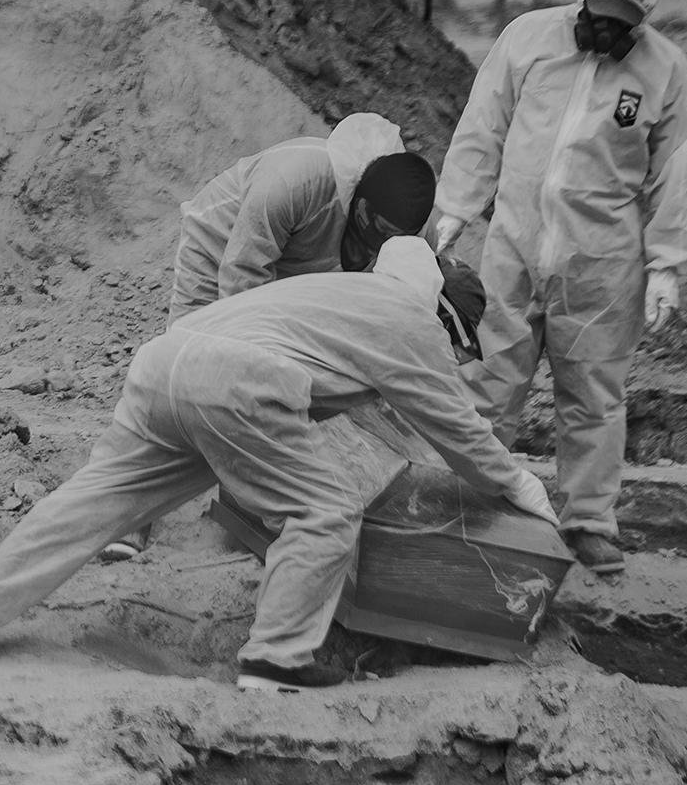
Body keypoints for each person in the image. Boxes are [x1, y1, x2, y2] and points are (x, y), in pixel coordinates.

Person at [0, 236, 557, 693]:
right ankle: (276, 661)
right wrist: (520, 484)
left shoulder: (351, 293)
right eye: (456, 344)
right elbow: (459, 433)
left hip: (166, 362)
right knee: (325, 509)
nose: (451, 355)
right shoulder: (412, 322)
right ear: (445, 313)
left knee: (98, 497)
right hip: (235, 385)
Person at [432, 0, 687, 577]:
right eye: (601, 20)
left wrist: (666, 266)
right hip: (513, 249)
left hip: (604, 266)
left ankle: (588, 523)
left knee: (594, 396)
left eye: (624, 25)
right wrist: (455, 208)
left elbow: (673, 174)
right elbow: (483, 125)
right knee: (486, 381)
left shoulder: (668, 73)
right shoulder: (527, 39)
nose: (609, 35)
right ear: (582, 5)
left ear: (642, 21)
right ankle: (467, 505)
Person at [99, 114, 436, 561]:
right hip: (220, 251)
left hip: (301, 266)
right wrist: (264, 364)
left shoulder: (412, 229)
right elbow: (240, 276)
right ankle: (127, 520)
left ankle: (248, 505)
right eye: (378, 233)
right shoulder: (293, 183)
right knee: (190, 381)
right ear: (361, 207)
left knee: (286, 392)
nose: (382, 245)